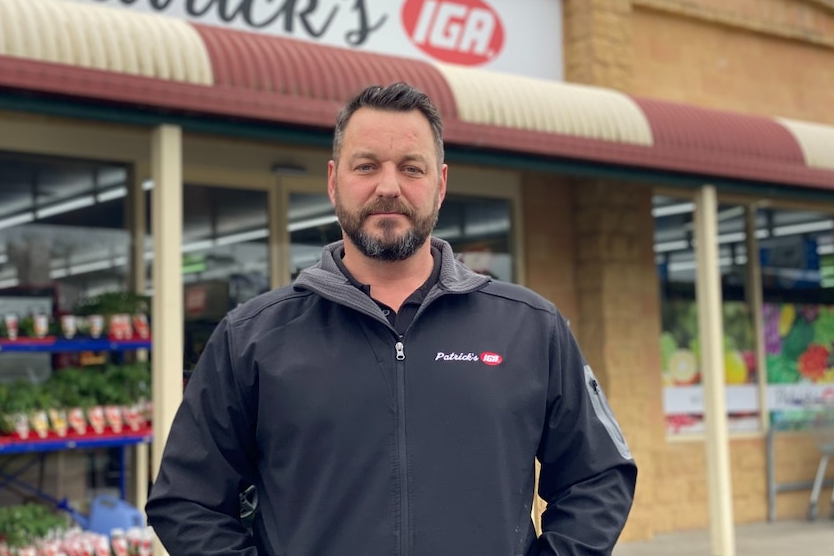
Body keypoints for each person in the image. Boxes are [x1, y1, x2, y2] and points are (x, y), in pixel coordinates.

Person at [146, 82, 637, 556]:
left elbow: (598, 477)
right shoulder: (253, 338)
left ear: (440, 184)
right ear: (334, 179)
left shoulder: (530, 328)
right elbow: (186, 500)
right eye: (367, 166)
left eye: (411, 168)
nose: (388, 186)